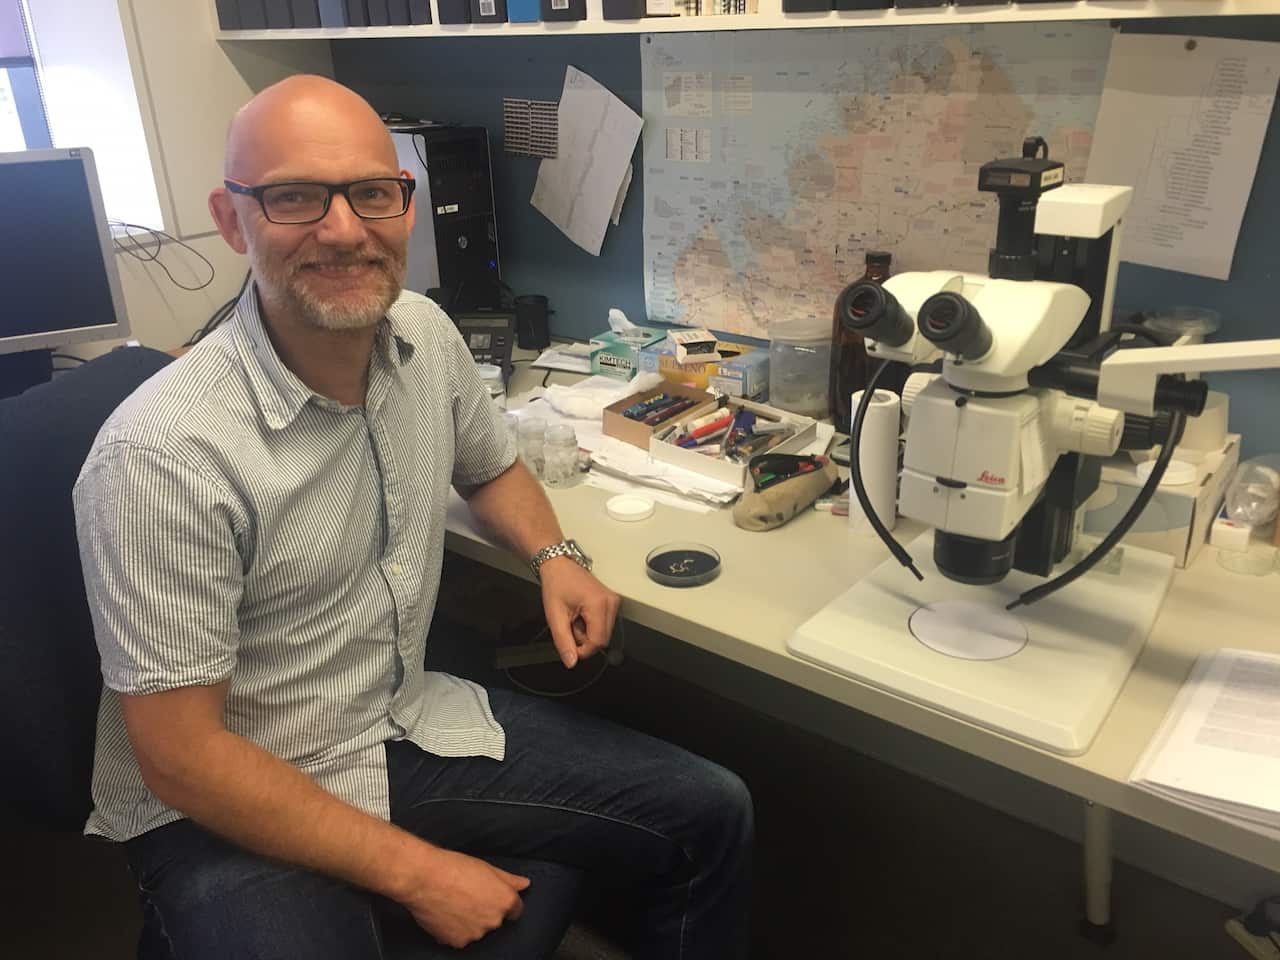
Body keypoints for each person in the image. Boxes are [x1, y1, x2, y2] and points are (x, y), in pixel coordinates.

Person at [73, 75, 752, 959]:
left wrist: (555, 555)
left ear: (406, 206)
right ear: (233, 220)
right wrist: (418, 873)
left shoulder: (424, 335)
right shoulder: (162, 454)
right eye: (294, 197)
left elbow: (491, 466)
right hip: (227, 795)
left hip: (394, 722)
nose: (343, 230)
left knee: (711, 810)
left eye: (371, 192)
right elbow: (181, 758)